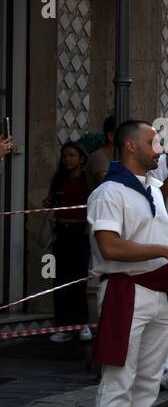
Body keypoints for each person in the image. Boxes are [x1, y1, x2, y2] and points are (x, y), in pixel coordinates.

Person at [87, 120, 168, 407]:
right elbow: (110, 247)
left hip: (158, 292)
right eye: (153, 141)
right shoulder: (109, 191)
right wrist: (164, 250)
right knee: (118, 380)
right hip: (125, 291)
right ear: (131, 147)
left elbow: (156, 238)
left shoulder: (152, 189)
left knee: (147, 381)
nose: (160, 147)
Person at [45, 142, 92, 342]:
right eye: (65, 156)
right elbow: (53, 202)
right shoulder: (59, 180)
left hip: (80, 235)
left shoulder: (88, 181)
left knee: (78, 280)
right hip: (61, 234)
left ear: (81, 158)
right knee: (60, 280)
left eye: (71, 155)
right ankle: (63, 326)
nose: (67, 160)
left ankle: (82, 324)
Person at [87, 115, 116, 186]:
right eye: (127, 134)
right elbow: (109, 186)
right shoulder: (99, 156)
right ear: (111, 137)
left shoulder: (119, 156)